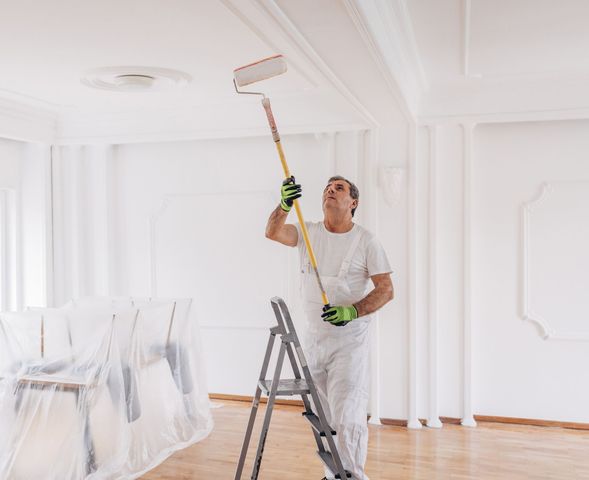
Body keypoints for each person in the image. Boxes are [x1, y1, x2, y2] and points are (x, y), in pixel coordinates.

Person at [265, 175, 394, 480]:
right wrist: (284, 204)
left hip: (349, 344)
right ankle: (333, 473)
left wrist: (352, 310)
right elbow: (272, 232)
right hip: (313, 341)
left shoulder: (366, 241)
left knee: (348, 416)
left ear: (353, 203)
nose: (330, 191)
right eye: (327, 187)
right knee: (325, 419)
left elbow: (386, 289)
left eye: (339, 188)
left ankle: (352, 476)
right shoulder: (308, 233)